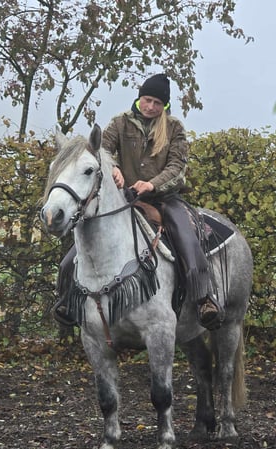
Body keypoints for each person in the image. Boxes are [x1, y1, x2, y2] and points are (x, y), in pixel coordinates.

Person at [53, 73, 223, 329]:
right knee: (75, 252)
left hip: (164, 199)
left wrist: (152, 184)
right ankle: (67, 298)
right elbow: (101, 151)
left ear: (164, 106)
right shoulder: (120, 123)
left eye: (157, 103)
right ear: (139, 98)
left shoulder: (174, 128)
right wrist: (114, 169)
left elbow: (177, 166)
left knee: (187, 237)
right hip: (125, 199)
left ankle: (203, 299)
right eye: (147, 100)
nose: (151, 106)